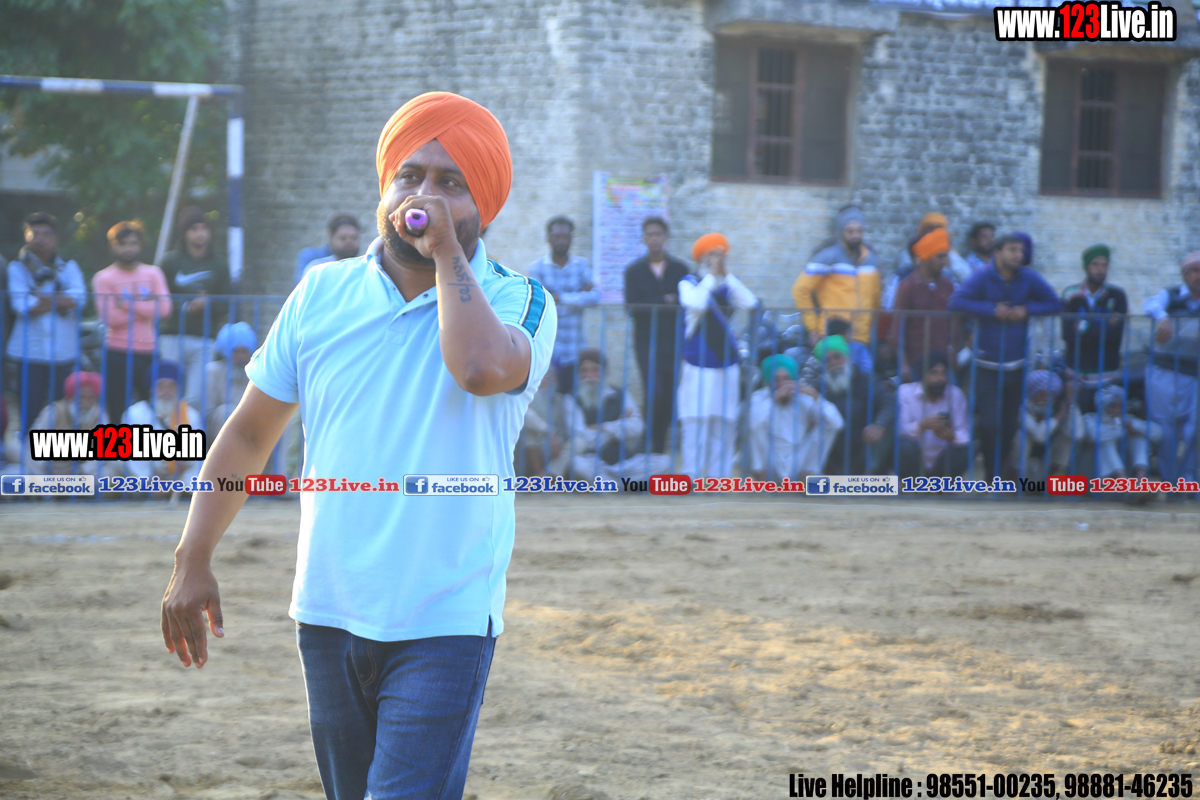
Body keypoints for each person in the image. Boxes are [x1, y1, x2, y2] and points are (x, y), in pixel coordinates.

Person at [159, 91, 556, 800]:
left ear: (485, 207)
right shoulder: (321, 292)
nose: (423, 196)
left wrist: (446, 252)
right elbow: (249, 433)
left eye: (451, 182)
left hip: (446, 619)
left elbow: (478, 368)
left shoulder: (519, 299)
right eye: (409, 176)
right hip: (328, 612)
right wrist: (193, 557)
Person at [947, 231, 1061, 481]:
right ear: (997, 253)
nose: (1018, 255)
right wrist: (991, 310)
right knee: (989, 423)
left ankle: (998, 477)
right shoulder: (982, 276)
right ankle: (991, 476)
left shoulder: (1028, 277)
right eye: (1012, 250)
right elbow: (956, 302)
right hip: (985, 363)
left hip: (1017, 364)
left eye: (1020, 250)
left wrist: (1026, 310)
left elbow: (1054, 303)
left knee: (1009, 425)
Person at [676, 233, 757, 479]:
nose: (716, 259)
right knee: (695, 421)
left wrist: (727, 275)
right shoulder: (688, 283)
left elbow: (750, 303)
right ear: (700, 258)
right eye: (711, 254)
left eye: (720, 255)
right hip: (697, 365)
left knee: (723, 423)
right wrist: (711, 275)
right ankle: (691, 476)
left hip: (726, 365)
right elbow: (696, 303)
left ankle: (718, 479)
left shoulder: (727, 286)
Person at [5, 212, 87, 428]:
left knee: (62, 409)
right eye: (35, 233)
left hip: (63, 351)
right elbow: (22, 306)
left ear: (55, 238)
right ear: (26, 236)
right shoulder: (16, 268)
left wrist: (39, 298)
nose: (41, 239)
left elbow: (79, 299)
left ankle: (59, 449)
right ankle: (28, 448)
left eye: (46, 234)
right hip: (29, 352)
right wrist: (60, 300)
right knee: (29, 409)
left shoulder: (69, 266)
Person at [92, 220, 172, 428]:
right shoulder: (103, 278)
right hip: (116, 350)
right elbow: (110, 318)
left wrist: (126, 304)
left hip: (148, 350)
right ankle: (118, 446)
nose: (128, 248)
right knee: (116, 407)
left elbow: (165, 309)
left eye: (133, 243)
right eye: (123, 243)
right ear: (113, 246)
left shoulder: (153, 273)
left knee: (153, 407)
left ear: (140, 245)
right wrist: (146, 306)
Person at [624, 216, 689, 453]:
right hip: (646, 341)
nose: (654, 239)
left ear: (666, 237)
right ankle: (649, 440)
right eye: (650, 234)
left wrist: (654, 303)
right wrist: (664, 300)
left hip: (673, 340)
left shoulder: (680, 269)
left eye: (658, 234)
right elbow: (632, 308)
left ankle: (658, 446)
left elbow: (685, 303)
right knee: (654, 390)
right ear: (644, 238)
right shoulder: (634, 271)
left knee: (669, 392)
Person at [159, 207, 231, 411]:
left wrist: (207, 304)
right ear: (185, 233)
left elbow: (226, 304)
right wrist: (186, 307)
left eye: (204, 228)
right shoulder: (170, 261)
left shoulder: (220, 264)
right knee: (167, 392)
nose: (200, 234)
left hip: (204, 338)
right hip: (172, 336)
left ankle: (189, 431)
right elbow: (159, 299)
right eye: (194, 229)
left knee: (196, 398)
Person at [559, 348, 664, 481]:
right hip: (594, 462)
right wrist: (620, 425)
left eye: (595, 370)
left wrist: (603, 427)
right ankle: (623, 485)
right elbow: (582, 437)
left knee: (663, 462)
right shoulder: (571, 399)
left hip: (626, 461)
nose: (590, 376)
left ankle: (612, 485)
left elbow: (637, 428)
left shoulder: (620, 394)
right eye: (584, 371)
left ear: (604, 371)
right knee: (577, 464)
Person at [1142, 251, 1200, 487]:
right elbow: (1150, 304)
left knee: (1194, 430)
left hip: (1194, 373)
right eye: (1194, 271)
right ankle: (1170, 483)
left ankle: (1187, 479)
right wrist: (1162, 317)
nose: (1198, 276)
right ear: (1184, 274)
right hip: (1163, 371)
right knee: (1166, 431)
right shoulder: (1171, 294)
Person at [801, 335, 894, 475]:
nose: (834, 363)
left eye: (837, 357)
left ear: (847, 357)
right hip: (833, 450)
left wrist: (879, 425)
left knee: (888, 426)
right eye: (827, 360)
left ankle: (868, 477)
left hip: (864, 446)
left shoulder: (866, 380)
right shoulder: (818, 387)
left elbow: (889, 402)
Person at [527, 216, 599, 395]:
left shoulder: (581, 265)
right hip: (548, 345)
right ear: (548, 238)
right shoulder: (537, 268)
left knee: (573, 395)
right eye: (557, 236)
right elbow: (540, 301)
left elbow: (595, 297)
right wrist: (579, 296)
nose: (561, 241)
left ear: (571, 239)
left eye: (565, 236)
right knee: (547, 396)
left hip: (575, 345)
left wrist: (561, 297)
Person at [792, 206, 881, 347]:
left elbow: (876, 299)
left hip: (862, 338)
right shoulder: (827, 257)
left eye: (859, 231)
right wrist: (813, 327)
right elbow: (800, 289)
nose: (855, 235)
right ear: (841, 232)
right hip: (833, 335)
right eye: (850, 231)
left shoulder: (871, 260)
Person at [749, 353, 843, 482]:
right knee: (754, 427)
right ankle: (761, 480)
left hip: (798, 461)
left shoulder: (804, 398)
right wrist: (774, 399)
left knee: (827, 426)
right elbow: (752, 424)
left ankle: (806, 477)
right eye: (776, 379)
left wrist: (816, 397)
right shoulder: (760, 397)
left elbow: (837, 423)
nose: (782, 384)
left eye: (786, 379)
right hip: (769, 462)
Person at [888, 227, 961, 383]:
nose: (944, 262)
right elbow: (897, 328)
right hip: (915, 363)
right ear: (926, 256)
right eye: (940, 256)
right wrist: (903, 364)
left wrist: (954, 354)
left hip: (942, 364)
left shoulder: (948, 285)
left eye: (945, 256)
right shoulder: (908, 285)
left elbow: (953, 324)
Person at [1060, 244, 1127, 412]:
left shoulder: (1117, 296)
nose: (1100, 269)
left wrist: (1084, 326)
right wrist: (1104, 327)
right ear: (1086, 267)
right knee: (1078, 420)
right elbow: (1068, 335)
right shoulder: (1070, 295)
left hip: (1107, 373)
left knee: (1104, 421)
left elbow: (1115, 336)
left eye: (1104, 265)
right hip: (1077, 373)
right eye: (1095, 264)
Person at [122, 361, 205, 487]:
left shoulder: (191, 415)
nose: (166, 391)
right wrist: (151, 478)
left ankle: (182, 490)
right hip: (147, 474)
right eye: (160, 386)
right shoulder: (135, 413)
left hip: (181, 476)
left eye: (172, 386)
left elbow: (197, 458)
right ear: (151, 389)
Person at [897, 352, 969, 481]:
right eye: (933, 373)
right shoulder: (905, 393)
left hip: (943, 461)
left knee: (965, 450)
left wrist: (951, 436)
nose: (940, 378)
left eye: (943, 373)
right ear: (921, 375)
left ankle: (941, 487)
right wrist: (922, 425)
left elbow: (965, 435)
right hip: (916, 460)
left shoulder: (955, 394)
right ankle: (915, 485)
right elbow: (899, 431)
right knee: (904, 446)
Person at [25, 371, 111, 477]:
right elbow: (31, 443)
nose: (85, 403)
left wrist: (80, 470)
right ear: (70, 396)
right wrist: (45, 467)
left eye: (90, 397)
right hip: (47, 469)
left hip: (81, 473)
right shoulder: (54, 411)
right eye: (80, 397)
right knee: (16, 450)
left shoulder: (100, 415)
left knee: (109, 471)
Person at [1078, 384, 1159, 481]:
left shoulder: (1125, 419)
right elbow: (1096, 435)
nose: (1118, 411)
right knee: (1107, 441)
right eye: (1113, 407)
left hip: (1125, 463)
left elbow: (1157, 433)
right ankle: (1123, 480)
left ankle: (1140, 480)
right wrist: (1120, 429)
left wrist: (1134, 426)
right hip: (1095, 470)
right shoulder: (1090, 418)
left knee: (1140, 438)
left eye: (1121, 407)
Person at [1015, 369, 1075, 482]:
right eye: (1042, 394)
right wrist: (1058, 417)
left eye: (1051, 395)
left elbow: (1078, 434)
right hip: (1022, 467)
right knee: (1021, 437)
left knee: (1067, 438)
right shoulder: (1022, 408)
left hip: (1045, 463)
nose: (1046, 399)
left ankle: (1045, 483)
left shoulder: (1055, 408)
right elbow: (1039, 436)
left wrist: (1071, 403)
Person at [204, 322, 256, 436]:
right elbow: (207, 413)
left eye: (244, 351)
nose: (241, 356)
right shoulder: (213, 372)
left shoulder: (257, 372)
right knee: (226, 411)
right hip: (219, 429)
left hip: (252, 424)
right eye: (236, 351)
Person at [296, 213, 362, 284]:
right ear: (331, 240)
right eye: (343, 238)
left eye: (354, 238)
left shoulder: (363, 269)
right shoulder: (317, 269)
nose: (349, 242)